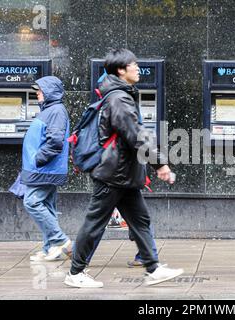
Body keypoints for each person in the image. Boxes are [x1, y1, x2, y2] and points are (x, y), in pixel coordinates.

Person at [64, 48, 183, 288]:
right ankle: (75, 273)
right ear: (121, 70)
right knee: (95, 222)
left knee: (140, 220)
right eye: (134, 65)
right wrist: (159, 163)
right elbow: (136, 135)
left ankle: (153, 268)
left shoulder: (119, 95)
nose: (138, 68)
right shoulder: (119, 98)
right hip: (113, 174)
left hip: (123, 174)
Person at [21, 76, 72, 262]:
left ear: (50, 92)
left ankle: (61, 241)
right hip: (43, 169)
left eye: (40, 90)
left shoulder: (56, 111)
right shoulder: (50, 110)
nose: (37, 93)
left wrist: (38, 159)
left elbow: (55, 141)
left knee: (32, 202)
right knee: (48, 207)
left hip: (45, 169)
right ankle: (51, 248)